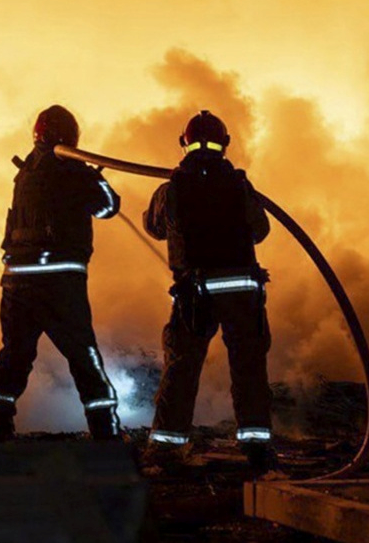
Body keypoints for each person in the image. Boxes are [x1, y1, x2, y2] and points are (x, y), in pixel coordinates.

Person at [142, 110, 276, 472]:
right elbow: (260, 230)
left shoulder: (171, 189)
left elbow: (153, 227)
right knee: (248, 367)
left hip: (196, 293)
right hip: (240, 291)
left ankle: (167, 447)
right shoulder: (238, 185)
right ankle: (257, 447)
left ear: (183, 142)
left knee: (182, 367)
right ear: (225, 142)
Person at [0, 105, 123, 441]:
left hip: (17, 281)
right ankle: (107, 436)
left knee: (14, 355)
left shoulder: (25, 172)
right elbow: (108, 207)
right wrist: (94, 174)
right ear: (72, 136)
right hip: (58, 282)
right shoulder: (72, 171)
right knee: (84, 357)